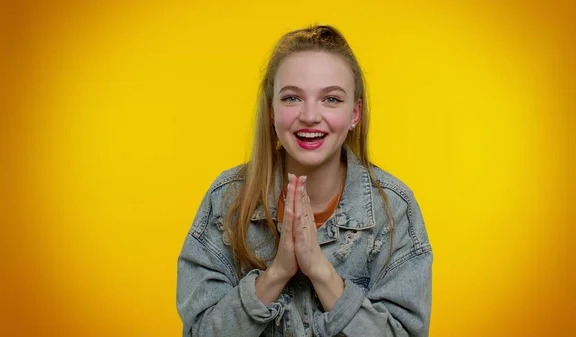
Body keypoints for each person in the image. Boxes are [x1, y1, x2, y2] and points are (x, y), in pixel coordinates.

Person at [176, 24, 433, 337]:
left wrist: (321, 272)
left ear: (355, 113)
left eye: (331, 99)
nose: (310, 115)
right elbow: (200, 332)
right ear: (272, 111)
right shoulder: (227, 199)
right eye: (292, 98)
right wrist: (276, 274)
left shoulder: (394, 210)